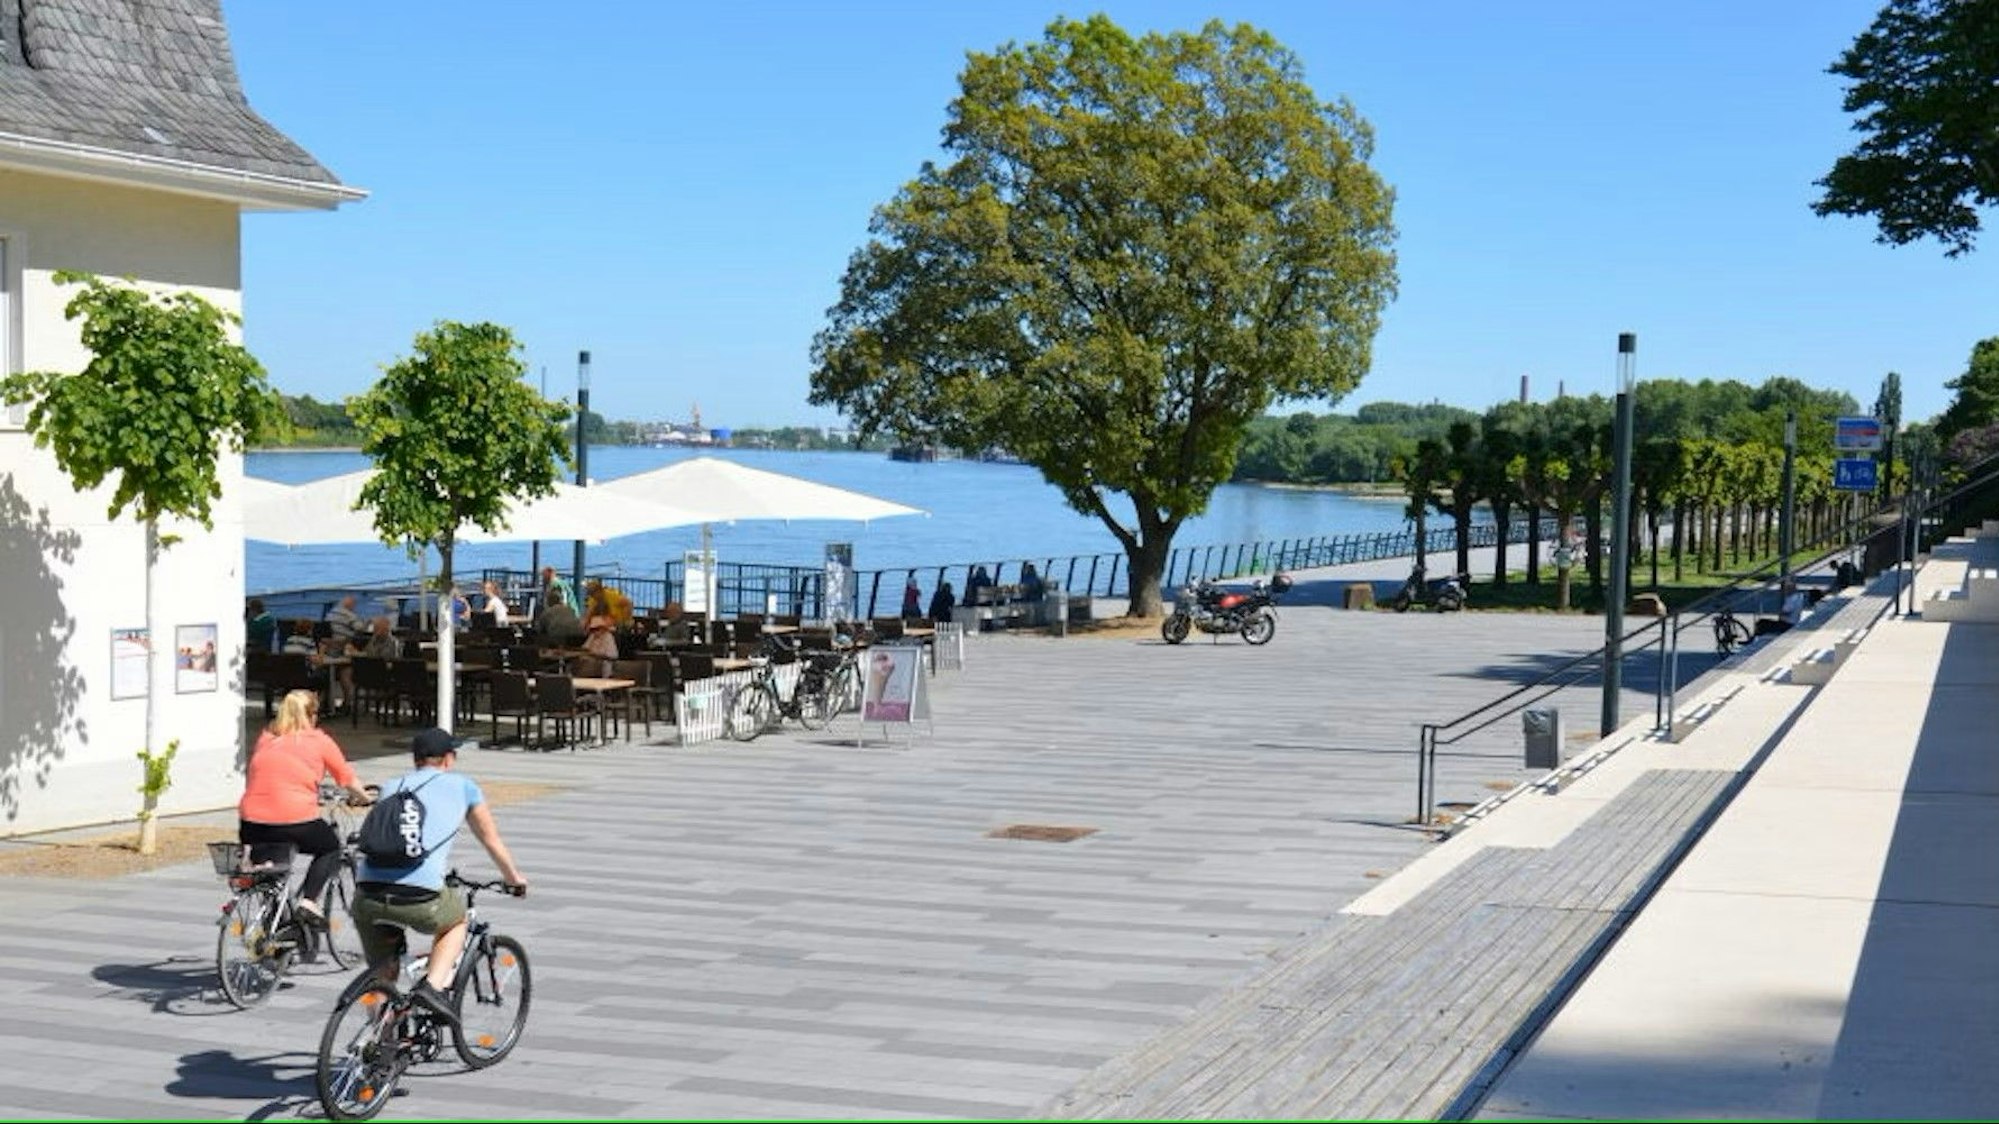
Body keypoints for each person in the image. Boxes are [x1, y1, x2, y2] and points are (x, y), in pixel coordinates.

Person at [352, 728, 527, 1024]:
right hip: (419, 896)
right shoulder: (464, 786)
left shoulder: (392, 786)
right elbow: (491, 840)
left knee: (382, 972)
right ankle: (432, 987)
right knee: (455, 921)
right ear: (449, 758)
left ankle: (377, 1042)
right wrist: (514, 879)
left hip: (367, 893)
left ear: (416, 759)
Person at [238, 690, 371, 930]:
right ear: (311, 716)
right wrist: (365, 798)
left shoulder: (266, 737)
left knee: (273, 871)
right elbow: (346, 778)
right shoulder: (318, 740)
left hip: (251, 820)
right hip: (293, 817)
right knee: (330, 847)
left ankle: (275, 927)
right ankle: (309, 902)